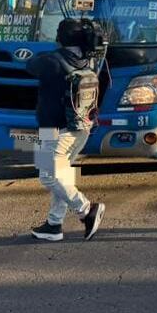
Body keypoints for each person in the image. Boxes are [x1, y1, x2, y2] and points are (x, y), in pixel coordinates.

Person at [24, 18, 106, 241]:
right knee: (61, 174)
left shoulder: (52, 61)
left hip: (55, 130)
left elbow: (29, 65)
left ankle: (86, 210)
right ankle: (53, 225)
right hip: (79, 128)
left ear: (60, 38)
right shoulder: (86, 61)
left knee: (48, 176)